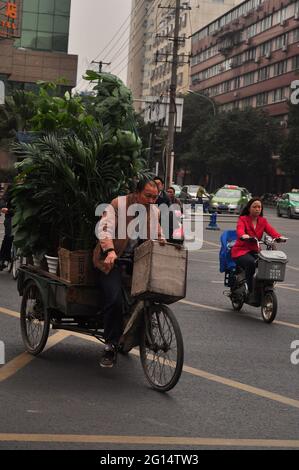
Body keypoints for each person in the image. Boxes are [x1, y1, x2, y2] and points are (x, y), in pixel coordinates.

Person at [93, 179, 165, 368]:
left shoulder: (154, 211)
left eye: (155, 197)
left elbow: (157, 234)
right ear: (137, 193)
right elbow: (104, 228)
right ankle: (110, 345)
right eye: (147, 196)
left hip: (137, 262)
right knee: (114, 300)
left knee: (151, 294)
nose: (151, 201)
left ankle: (136, 330)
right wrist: (109, 250)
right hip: (111, 261)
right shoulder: (119, 204)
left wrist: (163, 242)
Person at [231, 198, 285, 295]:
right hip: (241, 251)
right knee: (251, 262)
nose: (257, 209)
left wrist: (278, 237)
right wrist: (243, 235)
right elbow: (240, 230)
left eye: (259, 207)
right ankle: (250, 289)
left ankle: (262, 285)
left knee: (267, 261)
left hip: (255, 250)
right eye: (254, 207)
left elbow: (271, 230)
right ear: (249, 208)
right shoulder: (243, 219)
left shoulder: (263, 221)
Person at [0, 183, 13, 271]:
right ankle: (3, 258)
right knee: (9, 235)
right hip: (11, 215)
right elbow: (3, 200)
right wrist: (4, 207)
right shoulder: (12, 187)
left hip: (23, 216)